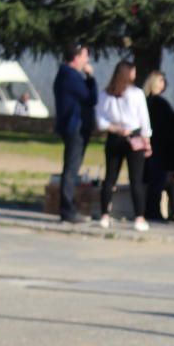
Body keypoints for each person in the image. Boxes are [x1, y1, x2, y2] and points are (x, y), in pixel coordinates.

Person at [96, 60, 152, 232]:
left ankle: (104, 214)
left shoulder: (106, 94)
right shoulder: (136, 94)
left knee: (110, 177)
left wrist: (114, 128)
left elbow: (100, 120)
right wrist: (147, 140)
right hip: (133, 136)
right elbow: (144, 119)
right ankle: (139, 216)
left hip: (114, 137)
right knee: (136, 179)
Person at [52, 42, 97, 224]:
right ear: (77, 57)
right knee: (71, 168)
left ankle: (68, 207)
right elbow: (90, 98)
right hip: (75, 126)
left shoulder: (66, 75)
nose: (87, 60)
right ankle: (67, 209)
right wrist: (90, 77)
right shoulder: (70, 76)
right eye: (85, 56)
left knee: (71, 167)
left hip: (74, 125)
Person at [143, 70, 174, 222]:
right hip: (160, 147)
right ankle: (154, 211)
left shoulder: (148, 102)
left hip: (154, 145)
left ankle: (153, 210)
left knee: (157, 181)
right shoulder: (159, 104)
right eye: (161, 81)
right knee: (157, 181)